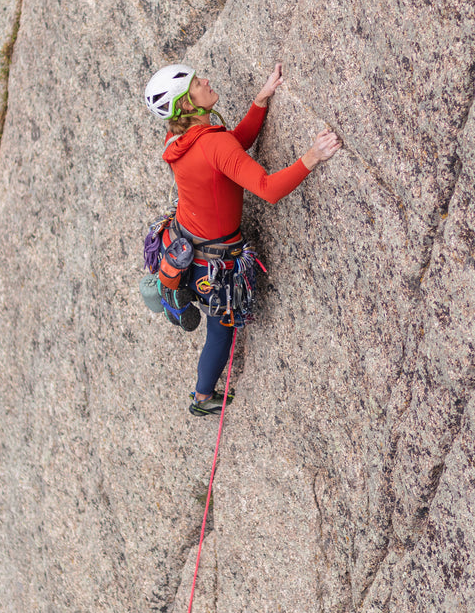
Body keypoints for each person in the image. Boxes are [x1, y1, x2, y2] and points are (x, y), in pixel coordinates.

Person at [145, 62, 341, 416]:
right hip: (213, 265)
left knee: (217, 329)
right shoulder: (211, 143)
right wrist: (313, 155)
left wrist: (261, 101)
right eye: (196, 83)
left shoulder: (179, 140)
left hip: (185, 243)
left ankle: (175, 297)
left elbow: (233, 149)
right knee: (221, 331)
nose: (205, 80)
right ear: (188, 105)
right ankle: (202, 399)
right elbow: (267, 189)